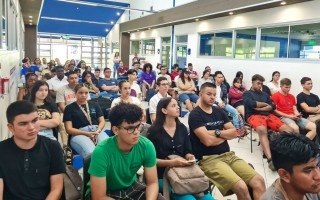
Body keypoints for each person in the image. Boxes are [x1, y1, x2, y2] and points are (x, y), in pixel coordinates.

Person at [189, 82, 266, 199]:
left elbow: (234, 132)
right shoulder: (195, 115)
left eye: (214, 94)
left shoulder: (219, 111)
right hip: (209, 160)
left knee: (259, 181)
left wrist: (216, 132)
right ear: (200, 94)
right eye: (209, 94)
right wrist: (224, 136)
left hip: (229, 156)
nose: (212, 97)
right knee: (241, 186)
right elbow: (207, 142)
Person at [87, 103, 161, 200]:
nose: (136, 132)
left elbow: (152, 183)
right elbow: (99, 196)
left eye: (138, 126)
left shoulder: (146, 145)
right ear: (116, 130)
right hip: (106, 191)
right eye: (130, 128)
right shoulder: (102, 151)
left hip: (131, 186)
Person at [148, 97, 214, 200]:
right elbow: (150, 161)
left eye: (177, 105)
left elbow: (187, 151)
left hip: (185, 173)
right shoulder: (154, 131)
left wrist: (189, 156)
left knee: (208, 198)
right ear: (164, 110)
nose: (178, 108)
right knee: (188, 198)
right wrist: (172, 163)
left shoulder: (182, 128)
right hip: (163, 175)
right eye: (173, 106)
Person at [0, 100, 65, 199]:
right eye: (23, 124)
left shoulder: (53, 147)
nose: (31, 127)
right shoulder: (2, 150)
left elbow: (56, 189)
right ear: (11, 127)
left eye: (35, 121)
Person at [243, 74, 292, 170]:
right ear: (252, 82)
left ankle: (285, 153)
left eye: (261, 84)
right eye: (258, 83)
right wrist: (266, 105)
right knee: (262, 129)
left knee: (288, 130)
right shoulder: (247, 94)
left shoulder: (265, 94)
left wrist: (261, 106)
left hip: (267, 115)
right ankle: (270, 159)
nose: (260, 86)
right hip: (253, 116)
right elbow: (251, 104)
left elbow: (273, 106)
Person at [261, 133, 320, 200]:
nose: (318, 176)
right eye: (308, 171)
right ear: (284, 175)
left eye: (317, 166)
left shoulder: (311, 186)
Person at [63, 83, 109, 158]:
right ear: (75, 93)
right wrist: (87, 134)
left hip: (97, 130)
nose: (84, 95)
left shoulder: (94, 105)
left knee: (108, 148)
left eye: (86, 93)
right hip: (79, 133)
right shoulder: (69, 108)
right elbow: (69, 129)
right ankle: (91, 169)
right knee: (91, 152)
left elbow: (102, 121)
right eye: (81, 93)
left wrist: (98, 131)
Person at [214, 71, 245, 136]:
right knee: (217, 109)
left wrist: (224, 103)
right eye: (219, 77)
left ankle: (236, 129)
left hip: (222, 103)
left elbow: (225, 96)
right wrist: (217, 103)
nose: (221, 78)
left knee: (235, 111)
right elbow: (211, 98)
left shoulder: (224, 86)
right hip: (213, 103)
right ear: (215, 78)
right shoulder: (211, 85)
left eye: (222, 77)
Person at [56, 71, 79, 146]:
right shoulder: (61, 89)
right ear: (67, 80)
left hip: (81, 111)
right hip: (65, 112)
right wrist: (73, 115)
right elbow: (62, 107)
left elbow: (87, 104)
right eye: (72, 78)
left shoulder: (82, 89)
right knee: (62, 125)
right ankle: (66, 146)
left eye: (76, 78)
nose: (74, 80)